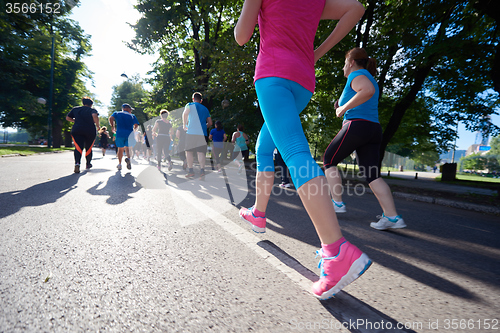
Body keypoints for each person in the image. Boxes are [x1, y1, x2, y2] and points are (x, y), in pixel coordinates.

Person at [235, 0, 368, 300]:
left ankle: (336, 251)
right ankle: (258, 213)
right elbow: (356, 9)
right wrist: (315, 52)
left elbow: (242, 35)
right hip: (303, 82)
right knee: (264, 145)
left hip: (273, 74)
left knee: (295, 152)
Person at [323, 47, 407, 231]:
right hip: (372, 129)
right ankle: (392, 217)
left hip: (357, 126)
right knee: (372, 175)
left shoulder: (358, 75)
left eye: (345, 63)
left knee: (329, 160)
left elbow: (366, 90)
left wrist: (342, 109)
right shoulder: (369, 78)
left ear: (351, 62)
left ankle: (336, 203)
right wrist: (343, 104)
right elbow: (365, 94)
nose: (344, 68)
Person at [66, 96, 100, 173]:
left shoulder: (75, 109)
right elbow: (94, 115)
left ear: (83, 103)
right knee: (89, 148)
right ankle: (88, 164)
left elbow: (68, 118)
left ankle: (77, 163)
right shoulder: (92, 110)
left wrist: (75, 121)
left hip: (77, 130)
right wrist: (98, 126)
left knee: (78, 147)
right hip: (90, 131)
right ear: (91, 104)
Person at [183, 92, 212, 179]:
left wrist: (184, 125)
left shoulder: (190, 105)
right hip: (202, 133)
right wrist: (203, 127)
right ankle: (202, 171)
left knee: (189, 152)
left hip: (191, 132)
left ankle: (191, 171)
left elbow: (185, 113)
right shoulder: (205, 109)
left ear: (193, 99)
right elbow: (210, 123)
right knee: (201, 152)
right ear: (201, 100)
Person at [109, 103, 139, 170]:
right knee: (128, 148)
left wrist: (112, 126)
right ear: (127, 109)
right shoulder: (132, 116)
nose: (131, 111)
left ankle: (119, 164)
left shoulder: (117, 113)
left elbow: (111, 118)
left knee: (120, 149)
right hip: (129, 134)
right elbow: (136, 125)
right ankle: (128, 158)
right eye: (130, 109)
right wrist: (134, 130)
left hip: (120, 133)